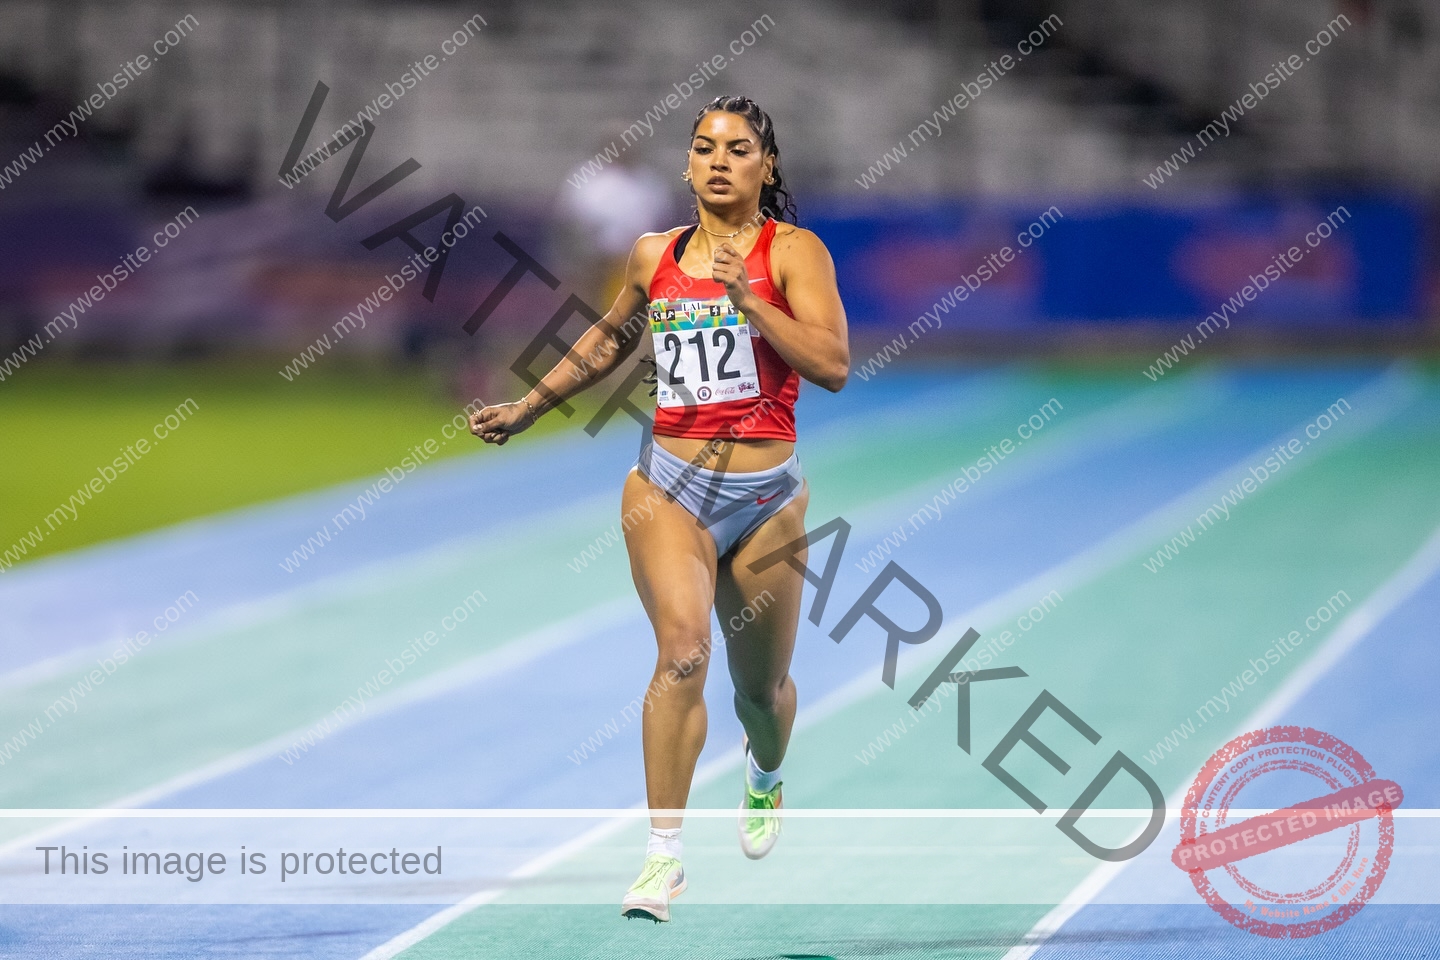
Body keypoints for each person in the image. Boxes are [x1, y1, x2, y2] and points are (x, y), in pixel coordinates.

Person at [470, 95, 849, 923]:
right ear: (686, 165)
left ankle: (766, 773)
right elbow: (609, 337)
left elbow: (833, 365)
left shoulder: (795, 253)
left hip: (765, 499)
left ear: (766, 167)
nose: (719, 160)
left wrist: (751, 304)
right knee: (682, 653)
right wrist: (530, 406)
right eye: (704, 147)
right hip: (667, 487)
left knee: (764, 693)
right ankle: (662, 859)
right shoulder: (654, 255)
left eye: (739, 148)